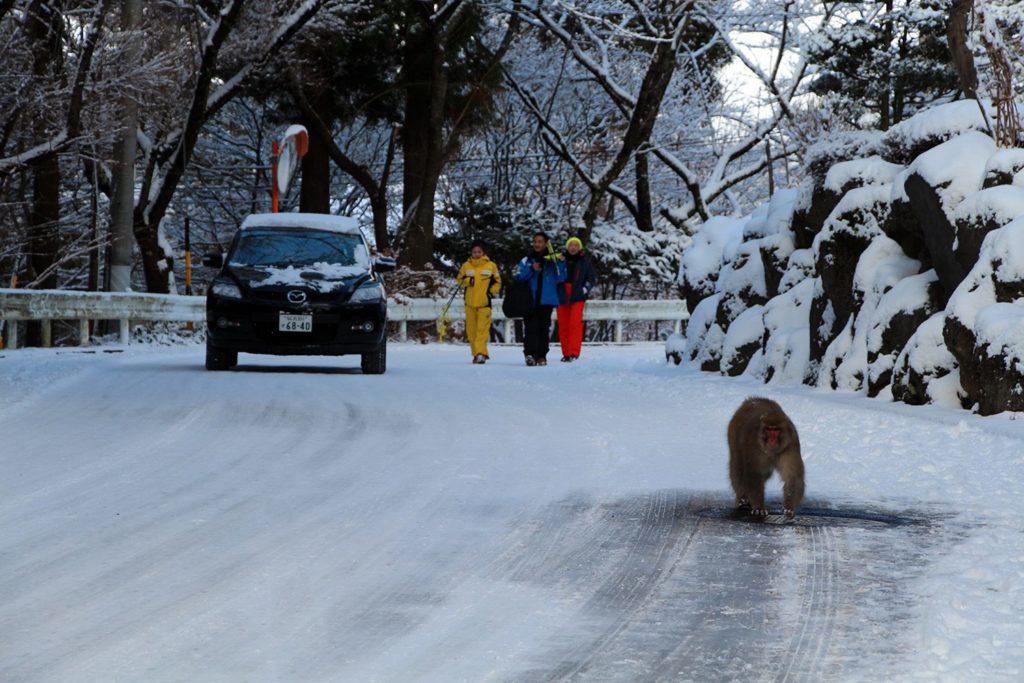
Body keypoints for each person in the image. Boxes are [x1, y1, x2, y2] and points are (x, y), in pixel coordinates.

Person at [514, 232, 566, 366]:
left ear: (546, 243)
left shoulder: (553, 260)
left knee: (543, 329)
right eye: (535, 241)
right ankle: (530, 354)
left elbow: (561, 277)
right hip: (530, 301)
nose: (537, 244)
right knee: (530, 328)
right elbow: (519, 276)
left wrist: (560, 263)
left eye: (540, 241)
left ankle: (542, 355)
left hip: (546, 301)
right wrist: (531, 269)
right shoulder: (528, 260)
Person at [457, 241, 502, 364]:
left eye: (479, 252)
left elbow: (498, 282)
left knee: (482, 330)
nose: (477, 254)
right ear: (471, 253)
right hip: (469, 303)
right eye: (474, 252)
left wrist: (491, 293)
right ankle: (476, 354)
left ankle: (481, 354)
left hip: (484, 303)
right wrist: (467, 281)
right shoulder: (466, 266)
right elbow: (459, 280)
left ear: (483, 253)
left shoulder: (491, 266)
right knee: (471, 331)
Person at [557, 236, 596, 362]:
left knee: (575, 324)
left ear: (579, 248)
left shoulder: (585, 262)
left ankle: (574, 352)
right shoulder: (560, 260)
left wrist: (584, 290)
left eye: (576, 245)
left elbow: (591, 279)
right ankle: (566, 353)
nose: (573, 247)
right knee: (563, 325)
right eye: (571, 245)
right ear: (567, 247)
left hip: (577, 295)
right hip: (562, 294)